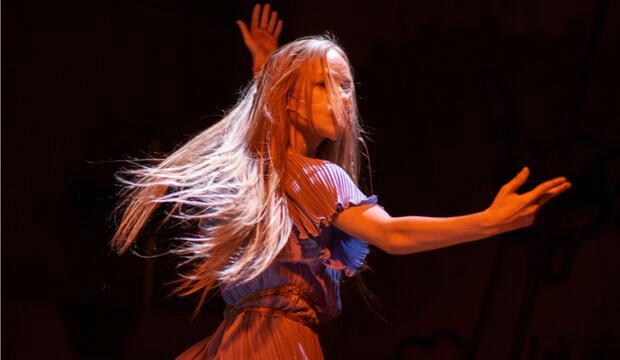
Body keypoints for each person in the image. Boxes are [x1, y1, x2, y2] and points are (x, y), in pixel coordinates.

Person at [110, 4, 572, 359]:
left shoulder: (275, 177)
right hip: (273, 343)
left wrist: (269, 71)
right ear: (289, 98)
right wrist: (487, 222)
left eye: (348, 85)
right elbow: (393, 234)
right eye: (325, 84)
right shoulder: (310, 178)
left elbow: (268, 131)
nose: (343, 97)